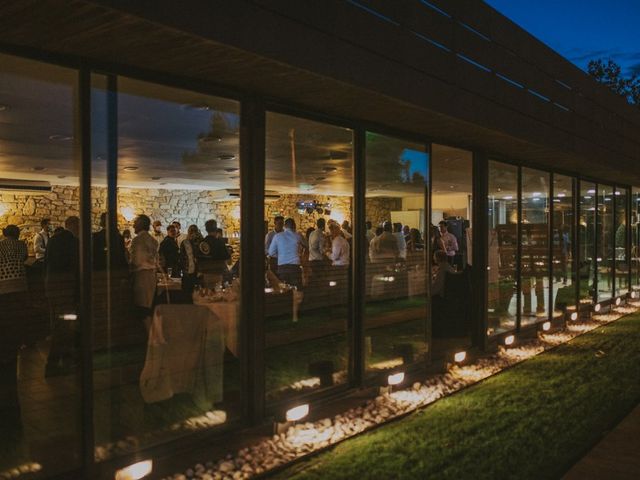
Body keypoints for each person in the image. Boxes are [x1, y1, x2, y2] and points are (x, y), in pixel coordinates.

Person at [0, 225, 28, 433]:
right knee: (18, 318)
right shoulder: (21, 245)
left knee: (7, 318)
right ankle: (18, 340)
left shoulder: (0, 246)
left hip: (3, 286)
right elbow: (26, 258)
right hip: (20, 284)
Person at [44, 216, 80, 376]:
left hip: (51, 285)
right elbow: (76, 266)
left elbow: (46, 262)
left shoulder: (53, 239)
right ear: (75, 226)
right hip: (65, 286)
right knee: (65, 322)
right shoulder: (73, 242)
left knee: (58, 321)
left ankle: (65, 357)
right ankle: (53, 363)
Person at [130, 214, 159, 320]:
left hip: (142, 278)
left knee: (143, 312)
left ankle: (152, 336)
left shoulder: (138, 240)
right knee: (150, 309)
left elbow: (137, 261)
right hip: (152, 277)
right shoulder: (153, 240)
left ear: (141, 225)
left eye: (135, 224)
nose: (133, 226)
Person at [268, 217, 306, 289]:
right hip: (295, 267)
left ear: (285, 226)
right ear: (294, 226)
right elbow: (306, 246)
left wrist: (281, 255)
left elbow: (271, 253)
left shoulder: (277, 236)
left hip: (282, 267)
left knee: (284, 290)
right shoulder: (298, 236)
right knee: (297, 289)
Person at [198, 219, 231, 288]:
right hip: (218, 274)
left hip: (205, 274)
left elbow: (198, 259)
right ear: (216, 228)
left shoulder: (202, 243)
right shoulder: (220, 242)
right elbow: (227, 258)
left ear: (206, 229)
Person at [180, 224, 203, 297]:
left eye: (195, 231)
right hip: (188, 270)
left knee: (198, 292)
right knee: (187, 292)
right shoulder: (185, 242)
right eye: (191, 231)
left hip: (199, 271)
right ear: (189, 232)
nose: (193, 233)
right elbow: (182, 257)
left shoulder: (201, 242)